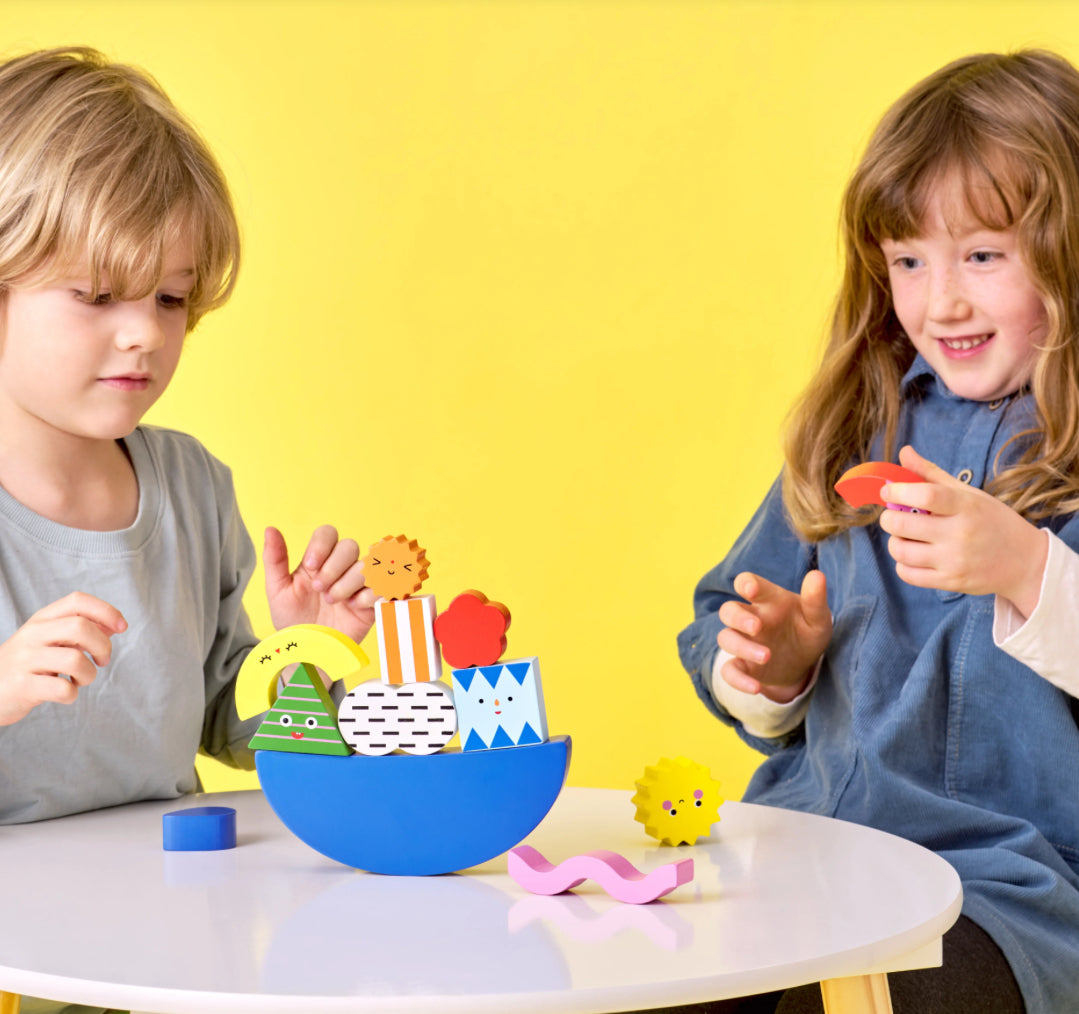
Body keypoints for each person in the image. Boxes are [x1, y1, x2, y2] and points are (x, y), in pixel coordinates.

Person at [677, 50, 1079, 1014]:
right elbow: (714, 624)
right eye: (907, 261)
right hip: (807, 845)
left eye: (983, 255)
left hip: (1018, 888)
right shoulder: (853, 433)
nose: (940, 302)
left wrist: (1029, 570)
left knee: (904, 995)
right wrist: (773, 669)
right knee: (658, 975)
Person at [0, 47, 377, 1011]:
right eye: (95, 297)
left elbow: (234, 725)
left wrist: (303, 656)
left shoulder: (192, 487)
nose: (146, 334)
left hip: (159, 932)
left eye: (171, 298)